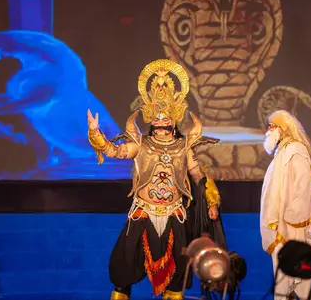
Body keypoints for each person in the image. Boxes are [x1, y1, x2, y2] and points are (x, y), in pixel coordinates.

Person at [87, 59, 225, 300]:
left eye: (166, 118)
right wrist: (96, 134)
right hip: (142, 213)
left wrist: (211, 199)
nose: (161, 123)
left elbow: (197, 174)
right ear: (150, 119)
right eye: (157, 118)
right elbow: (114, 151)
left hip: (174, 214)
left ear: (174, 120)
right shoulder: (141, 144)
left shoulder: (184, 147)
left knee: (176, 275)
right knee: (124, 269)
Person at [259, 110, 311, 300]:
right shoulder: (282, 152)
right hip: (281, 226)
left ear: (282, 129)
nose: (267, 131)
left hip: (294, 227)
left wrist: (293, 216)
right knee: (282, 282)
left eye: (271, 126)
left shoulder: (296, 150)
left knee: (302, 280)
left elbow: (304, 185)